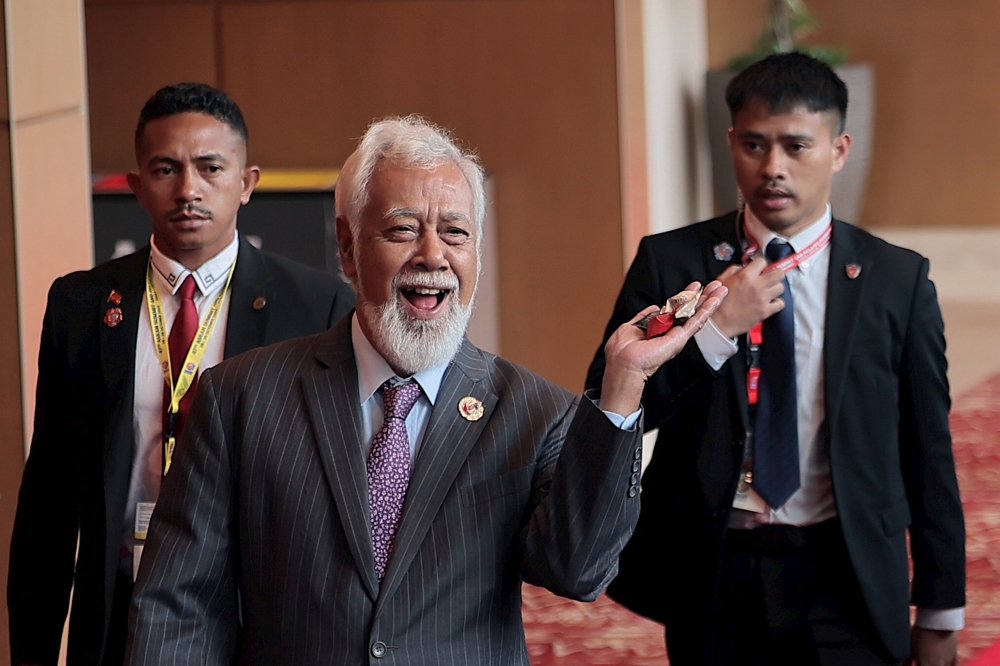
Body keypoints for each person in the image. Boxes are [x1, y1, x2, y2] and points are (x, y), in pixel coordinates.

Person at [124, 115, 726, 666]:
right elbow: (178, 606)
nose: (433, 255)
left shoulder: (535, 412)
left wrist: (621, 388)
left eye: (456, 233)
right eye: (403, 229)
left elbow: (579, 570)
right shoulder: (240, 398)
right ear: (347, 247)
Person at [586, 53, 965, 666]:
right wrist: (716, 332)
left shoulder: (896, 280)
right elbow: (608, 398)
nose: (773, 168)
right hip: (716, 568)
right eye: (755, 145)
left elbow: (928, 449)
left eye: (796, 146)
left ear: (838, 149)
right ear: (731, 142)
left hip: (848, 572)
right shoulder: (673, 263)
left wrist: (943, 607)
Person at [7, 82, 355, 666]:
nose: (189, 189)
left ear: (247, 183)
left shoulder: (315, 307)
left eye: (210, 168)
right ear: (137, 186)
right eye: (166, 169)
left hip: (258, 614)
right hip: (121, 604)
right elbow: (48, 501)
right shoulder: (81, 306)